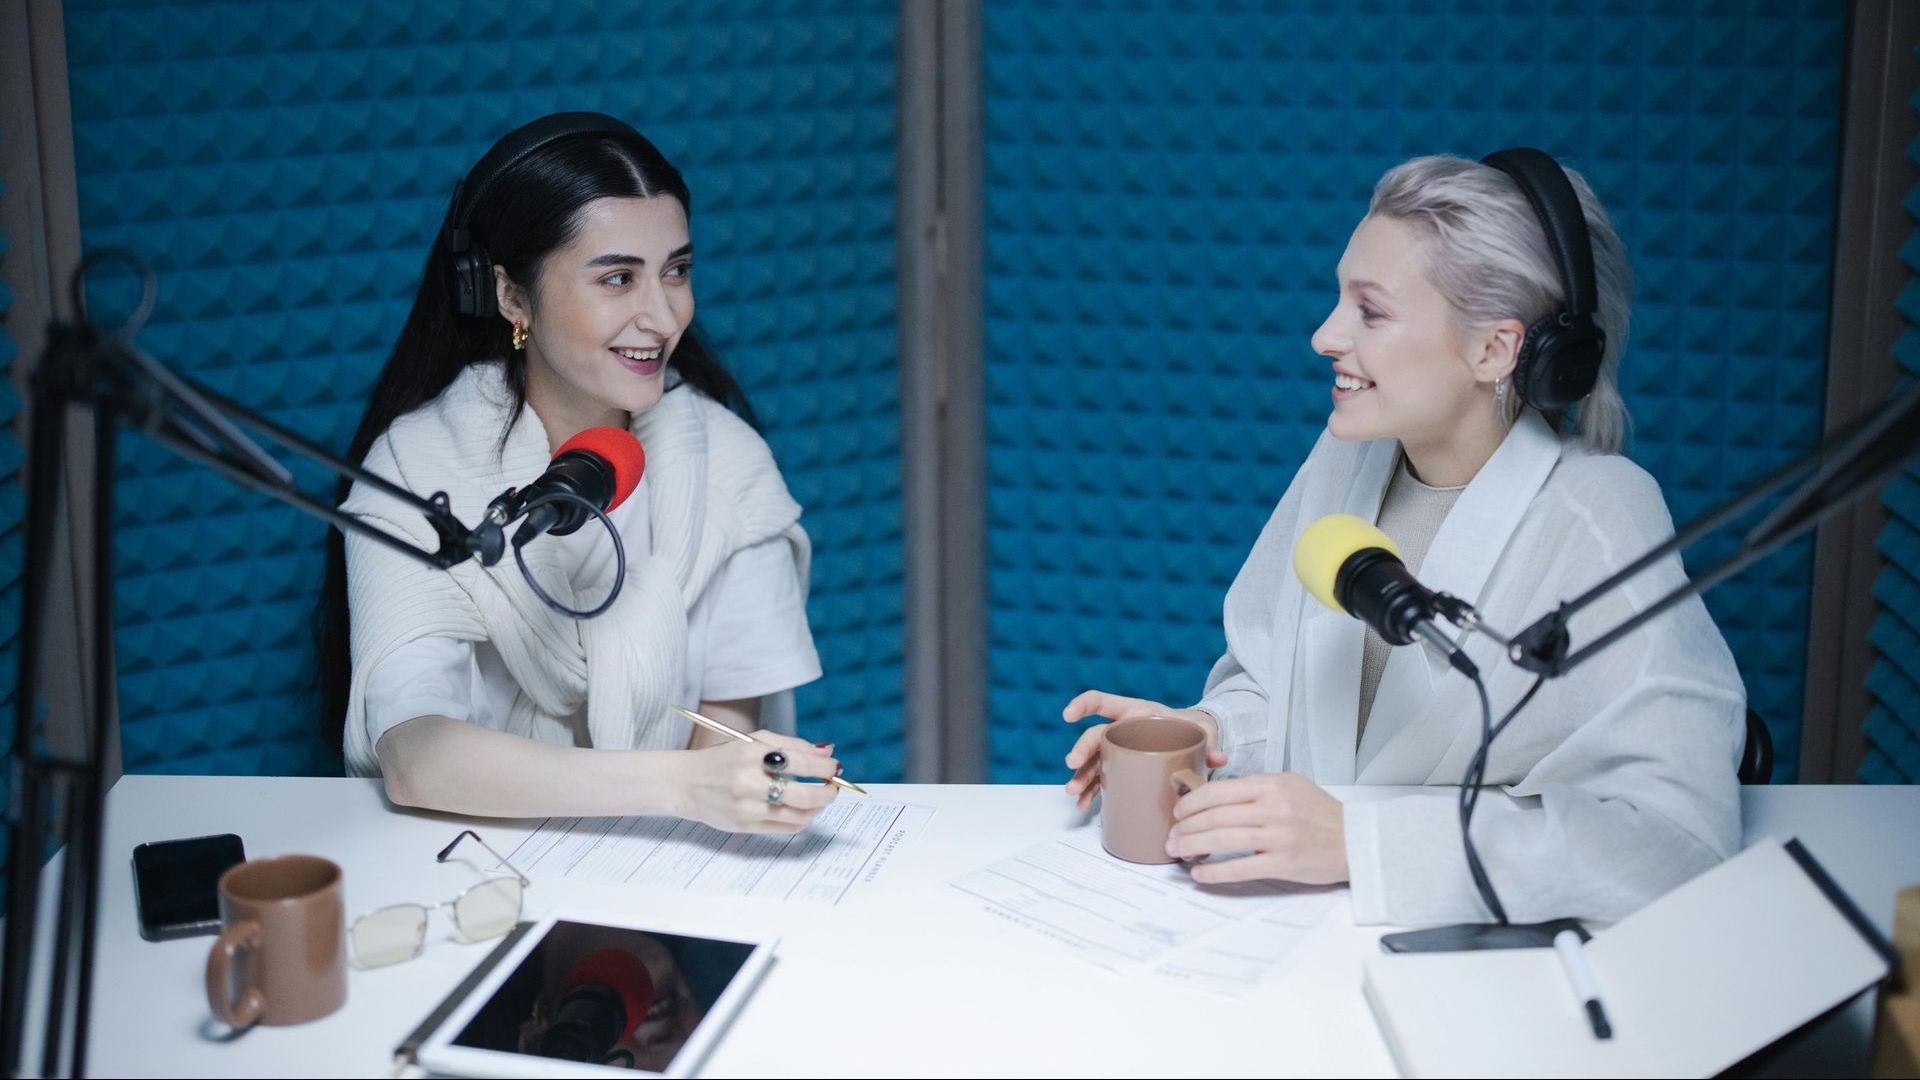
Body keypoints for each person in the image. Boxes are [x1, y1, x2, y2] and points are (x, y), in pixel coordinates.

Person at [1063, 151, 1746, 927]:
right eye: (1338, 300)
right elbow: (1284, 684)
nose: (1325, 335)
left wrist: (1365, 845)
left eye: (1371, 311)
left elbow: (1677, 836)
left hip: (1469, 976)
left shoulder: (1599, 519)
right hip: (1298, 937)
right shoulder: (1346, 460)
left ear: (1496, 349)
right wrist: (1210, 734)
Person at [318, 113, 836, 832]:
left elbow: (723, 740)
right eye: (618, 278)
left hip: (669, 867)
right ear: (510, 296)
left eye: (676, 271)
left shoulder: (730, 468)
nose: (661, 315)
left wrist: (716, 784)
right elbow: (417, 755)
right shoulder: (415, 473)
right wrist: (681, 785)